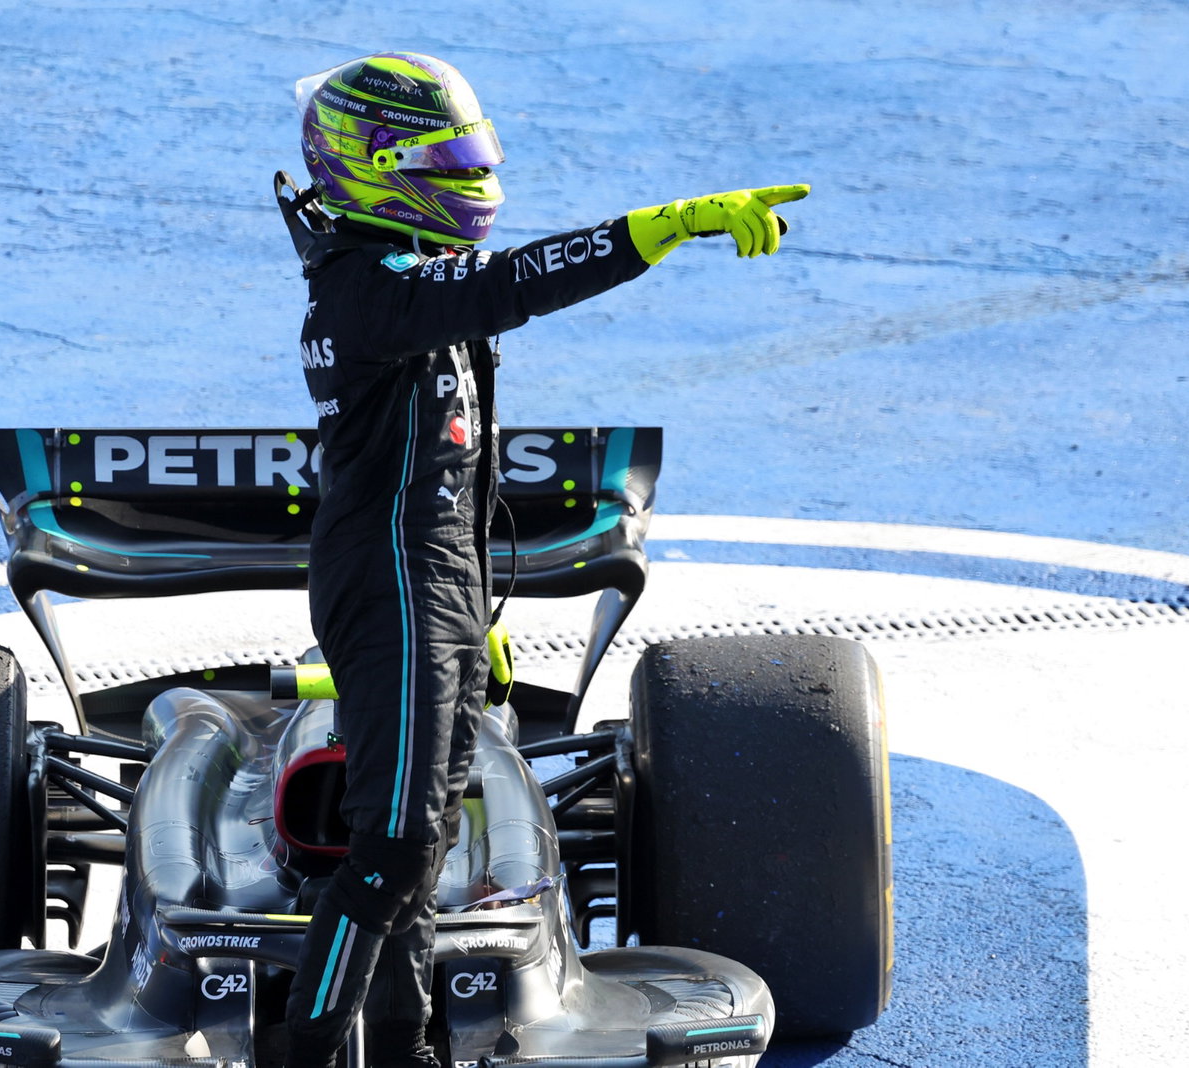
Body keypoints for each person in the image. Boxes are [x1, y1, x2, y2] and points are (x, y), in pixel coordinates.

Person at [281, 51, 807, 1068]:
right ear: (371, 164)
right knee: (388, 847)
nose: (472, 182)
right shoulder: (370, 291)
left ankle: (403, 1050)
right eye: (446, 164)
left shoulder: (390, 269)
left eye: (472, 159)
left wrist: (471, 606)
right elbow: (506, 285)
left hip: (425, 580)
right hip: (395, 585)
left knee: (418, 846)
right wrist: (659, 228)